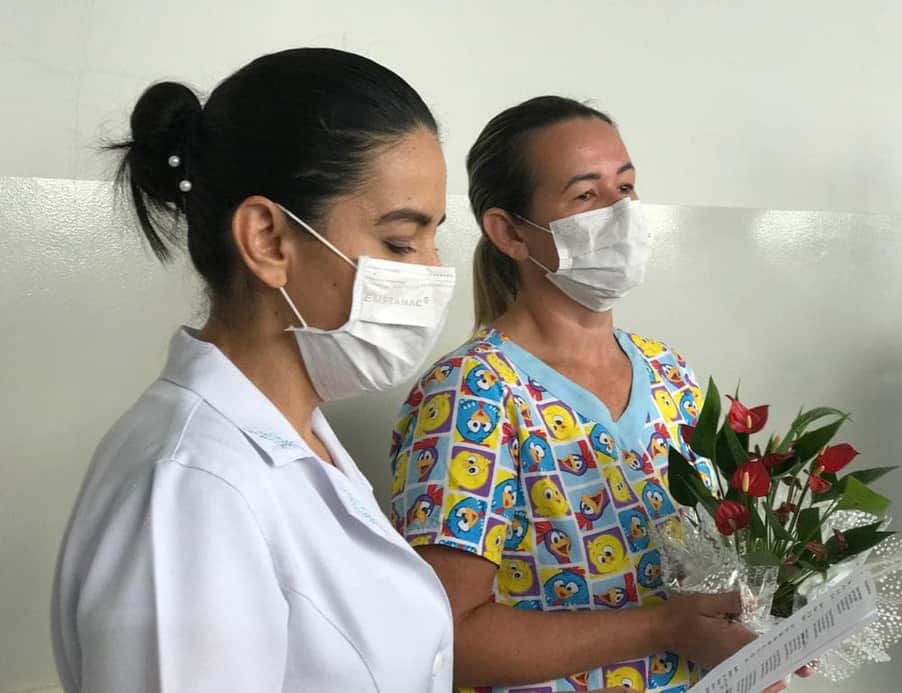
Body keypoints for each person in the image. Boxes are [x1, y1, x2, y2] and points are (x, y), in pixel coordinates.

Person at [51, 48, 457, 692]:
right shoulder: (190, 490)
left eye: (435, 236)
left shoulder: (298, 439)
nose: (432, 273)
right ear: (268, 239)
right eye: (401, 241)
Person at [389, 96, 795, 693]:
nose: (622, 212)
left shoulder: (667, 372)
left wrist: (760, 645)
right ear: (508, 232)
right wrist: (665, 628)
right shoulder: (472, 396)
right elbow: (448, 638)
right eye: (585, 195)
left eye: (626, 187)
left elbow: (714, 560)